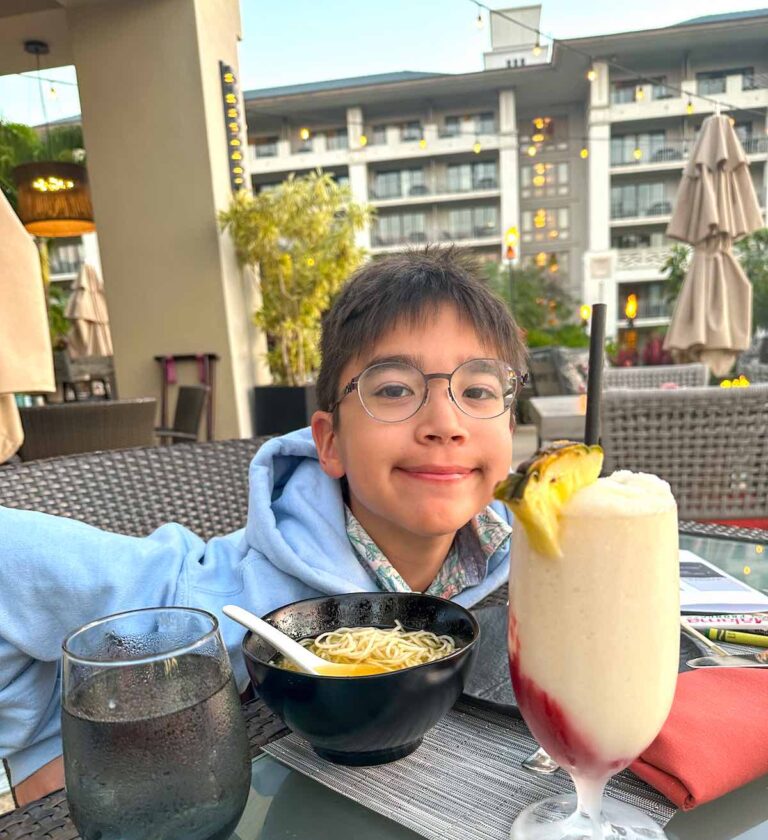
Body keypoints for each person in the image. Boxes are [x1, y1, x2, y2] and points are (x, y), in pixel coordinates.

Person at [0, 247, 528, 806]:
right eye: (394, 389)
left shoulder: (524, 562)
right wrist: (41, 748)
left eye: (478, 391)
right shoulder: (209, 597)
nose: (445, 423)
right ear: (329, 442)